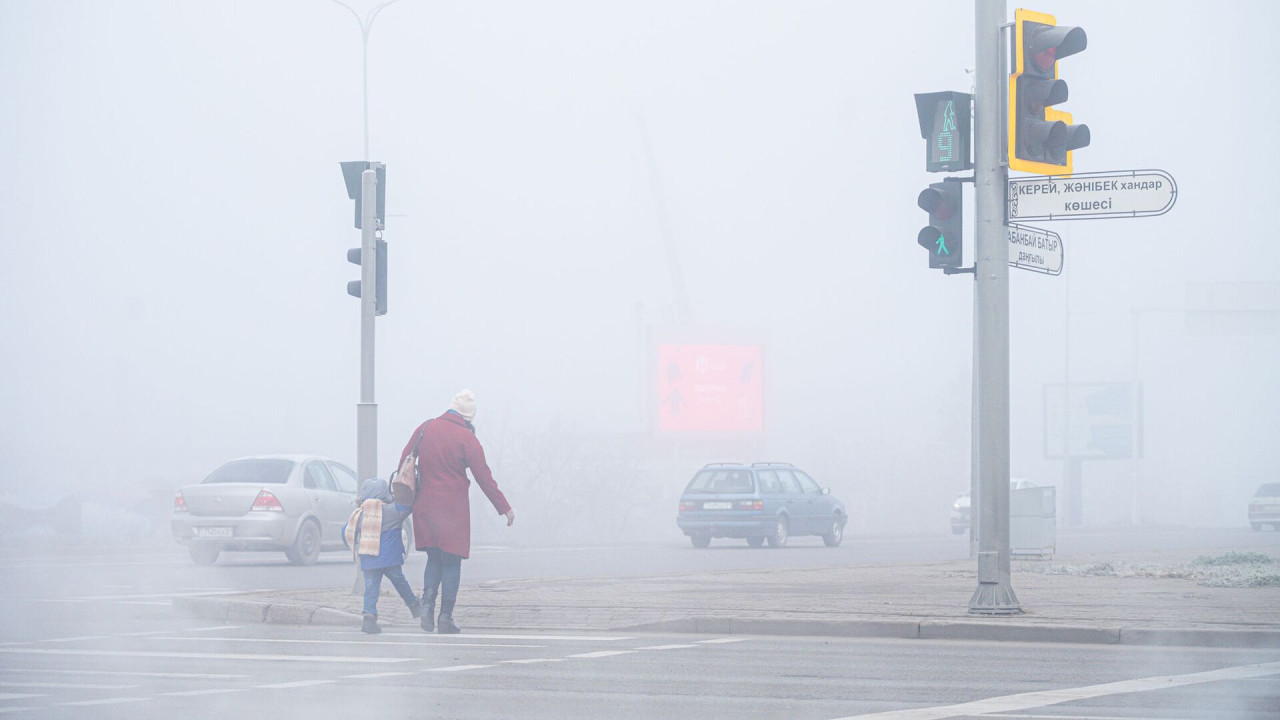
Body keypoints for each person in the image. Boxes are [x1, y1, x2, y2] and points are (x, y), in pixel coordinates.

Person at [400, 389, 514, 634]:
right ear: (468, 416)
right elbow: (484, 477)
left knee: (433, 558)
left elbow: (404, 460)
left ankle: (427, 610)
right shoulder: (466, 438)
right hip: (452, 512)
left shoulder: (425, 428)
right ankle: (445, 618)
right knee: (451, 563)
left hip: (425, 509)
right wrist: (504, 507)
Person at [344, 478, 421, 634]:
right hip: (391, 559)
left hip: (369, 558)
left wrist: (356, 546)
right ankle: (415, 606)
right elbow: (409, 506)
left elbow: (346, 532)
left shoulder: (359, 515)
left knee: (371, 588)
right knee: (400, 583)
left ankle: (369, 617)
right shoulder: (394, 511)